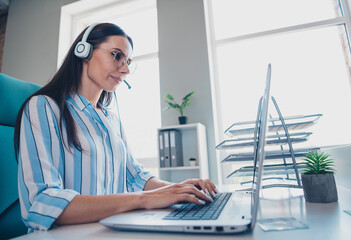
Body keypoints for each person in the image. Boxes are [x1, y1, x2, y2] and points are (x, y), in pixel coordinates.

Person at [14, 23, 217, 232]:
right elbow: (42, 202)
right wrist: (143, 199)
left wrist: (179, 190)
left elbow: (136, 177)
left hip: (106, 232)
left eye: (128, 61)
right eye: (116, 55)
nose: (126, 69)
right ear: (83, 51)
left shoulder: (111, 120)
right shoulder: (44, 107)